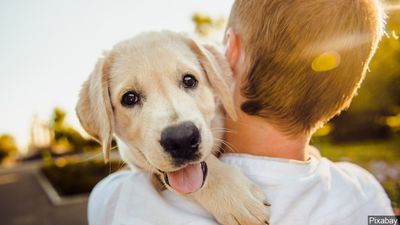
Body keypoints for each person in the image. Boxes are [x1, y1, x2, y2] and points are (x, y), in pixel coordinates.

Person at [88, 0, 394, 224]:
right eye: (130, 98)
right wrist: (211, 179)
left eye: (188, 81)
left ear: (229, 54)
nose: (177, 125)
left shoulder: (117, 201)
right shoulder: (366, 193)